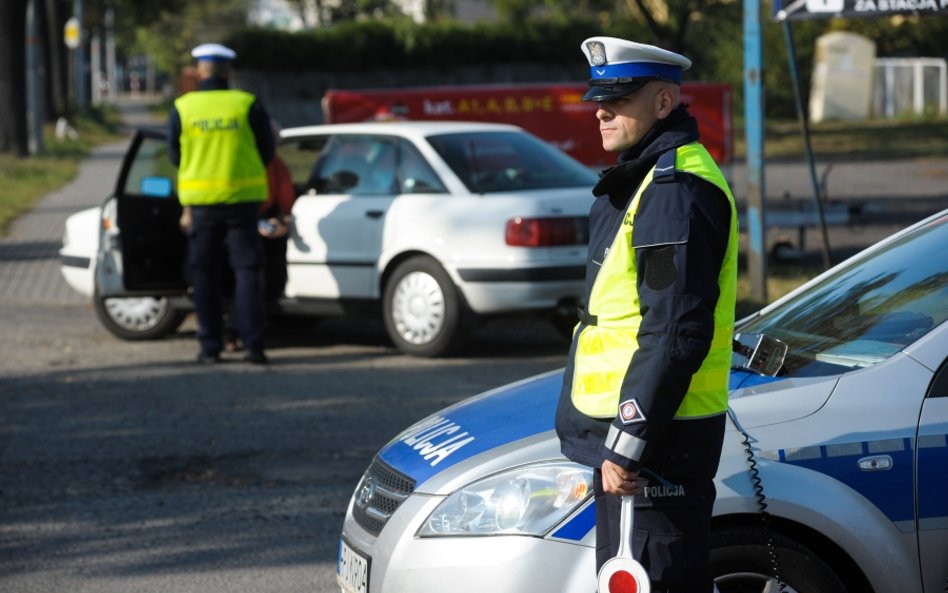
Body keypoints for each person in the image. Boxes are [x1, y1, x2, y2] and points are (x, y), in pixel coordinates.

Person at [555, 36, 738, 592]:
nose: (601, 110)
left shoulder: (673, 190)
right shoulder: (647, 177)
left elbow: (674, 329)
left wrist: (628, 441)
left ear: (663, 104)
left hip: (654, 448)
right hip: (642, 442)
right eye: (598, 99)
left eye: (619, 98)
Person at [168, 43, 275, 364]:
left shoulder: (183, 108)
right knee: (247, 273)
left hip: (201, 205)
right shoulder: (246, 104)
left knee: (204, 276)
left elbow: (174, 154)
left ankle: (210, 346)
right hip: (243, 202)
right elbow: (267, 151)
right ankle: (254, 344)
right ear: (228, 71)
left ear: (200, 71)